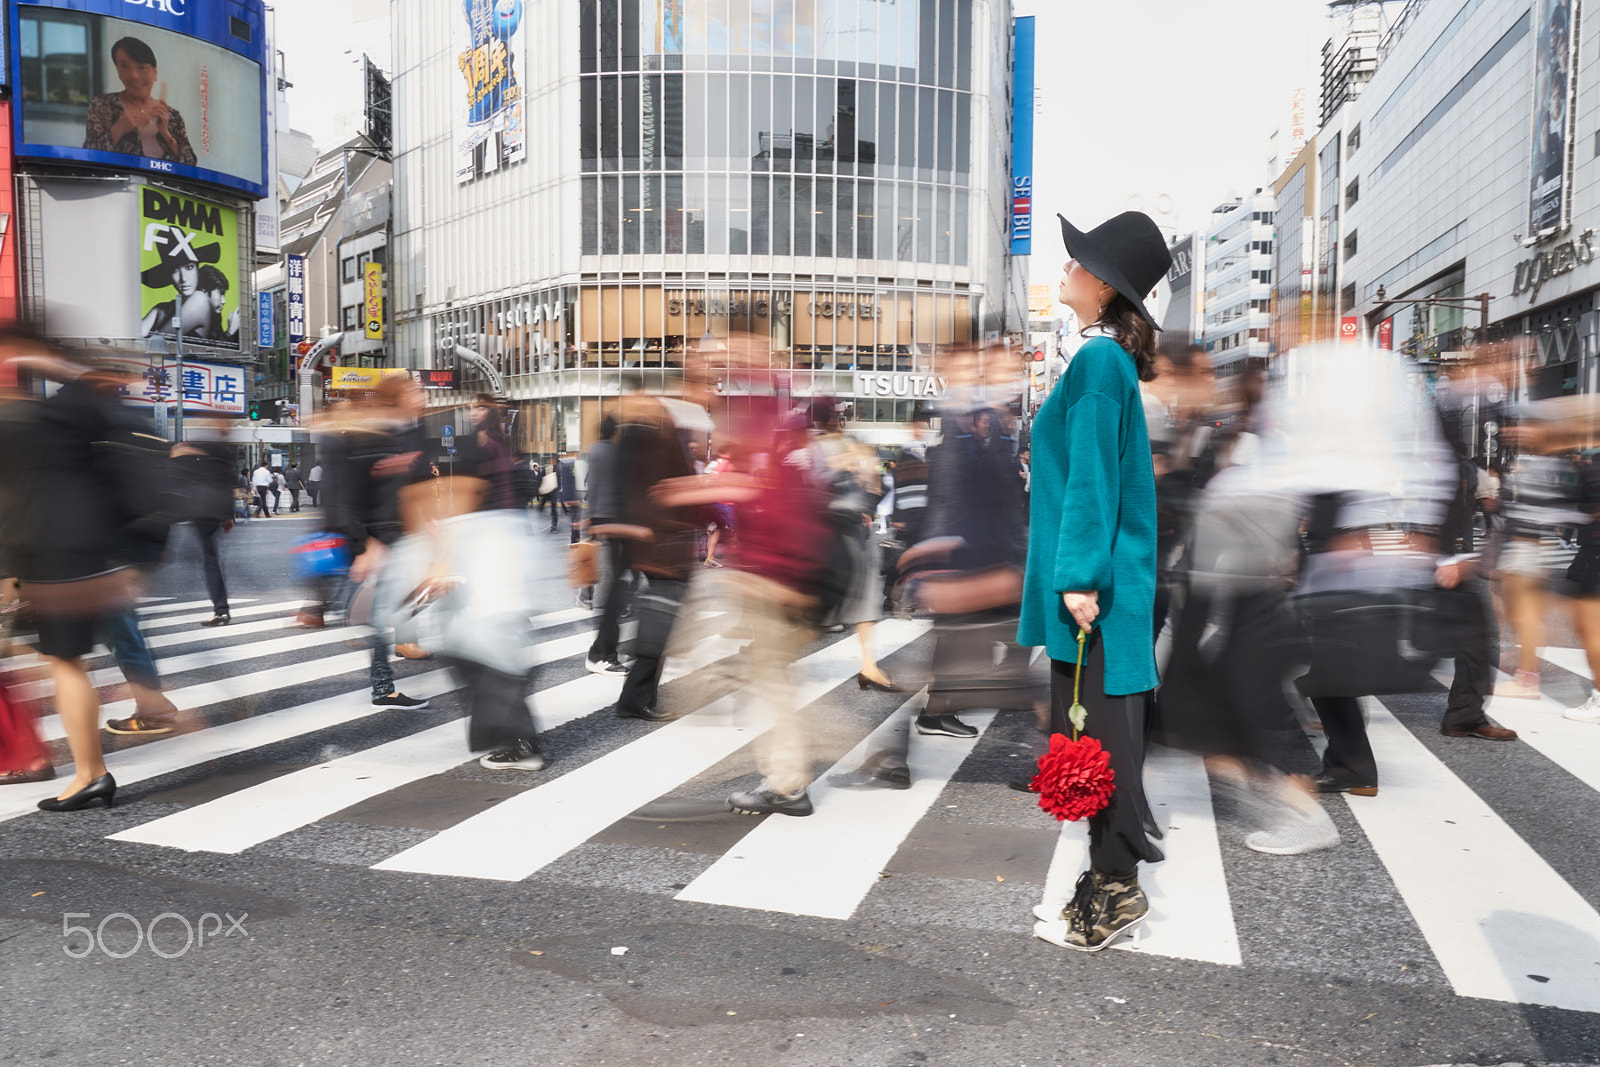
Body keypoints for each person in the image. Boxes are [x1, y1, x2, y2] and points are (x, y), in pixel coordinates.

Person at [1019, 212, 1171, 953]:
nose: (1065, 272)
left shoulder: (1097, 363)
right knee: (1096, 736)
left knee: (1100, 741)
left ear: (1103, 284)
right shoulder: (1102, 361)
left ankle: (1119, 884)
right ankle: (1108, 876)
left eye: (1076, 262)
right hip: (1106, 588)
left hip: (1097, 595)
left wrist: (1078, 577)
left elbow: (1090, 479)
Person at [0, 331, 175, 810]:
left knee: (66, 664)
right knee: (71, 660)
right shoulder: (95, 411)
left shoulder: (36, 416)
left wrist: (10, 567)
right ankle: (97, 760)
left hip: (55, 554)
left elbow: (17, 498)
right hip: (91, 552)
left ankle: (90, 773)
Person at [319, 375, 430, 710]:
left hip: (403, 538)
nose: (421, 394)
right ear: (396, 398)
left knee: (429, 591)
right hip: (381, 541)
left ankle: (374, 628)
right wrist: (363, 542)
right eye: (413, 390)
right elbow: (343, 497)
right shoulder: (366, 437)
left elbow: (404, 491)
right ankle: (383, 686)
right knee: (383, 612)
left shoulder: (401, 435)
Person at [82, 36, 197, 165]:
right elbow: (88, 156)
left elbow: (191, 164)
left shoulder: (172, 116)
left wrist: (166, 133)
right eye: (124, 66)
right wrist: (119, 129)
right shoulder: (102, 104)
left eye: (141, 67)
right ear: (118, 70)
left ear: (155, 72)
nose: (134, 75)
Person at [170, 431, 236, 627]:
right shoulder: (219, 457)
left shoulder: (188, 458)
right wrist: (228, 515)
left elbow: (176, 481)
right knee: (210, 559)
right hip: (214, 513)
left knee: (206, 560)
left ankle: (220, 609)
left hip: (200, 513)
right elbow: (227, 483)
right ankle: (221, 610)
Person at [140, 239, 221, 340]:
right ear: (169, 276)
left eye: (189, 267)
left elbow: (156, 344)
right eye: (175, 270)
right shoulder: (162, 309)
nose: (183, 278)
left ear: (197, 269)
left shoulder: (200, 299)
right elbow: (130, 339)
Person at [197, 265, 241, 343]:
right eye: (220, 293)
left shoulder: (215, 316)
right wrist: (230, 331)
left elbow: (218, 344)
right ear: (204, 292)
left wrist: (231, 329)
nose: (224, 301)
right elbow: (210, 351)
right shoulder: (195, 316)